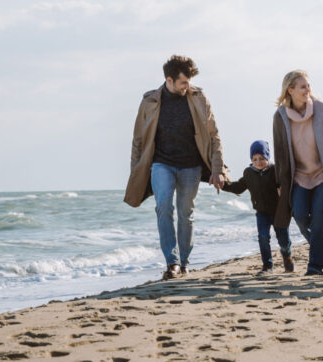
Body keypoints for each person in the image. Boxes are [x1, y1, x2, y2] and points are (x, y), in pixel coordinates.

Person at [124, 55, 229, 280]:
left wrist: (218, 168)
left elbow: (214, 135)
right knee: (163, 207)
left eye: (188, 82)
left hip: (191, 166)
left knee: (185, 213)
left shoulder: (199, 98)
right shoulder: (150, 101)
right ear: (169, 80)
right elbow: (138, 139)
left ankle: (184, 262)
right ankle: (171, 263)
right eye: (183, 83)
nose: (187, 87)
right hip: (161, 164)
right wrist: (136, 172)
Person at [272, 70, 323, 276]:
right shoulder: (280, 116)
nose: (308, 90)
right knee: (298, 214)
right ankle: (319, 244)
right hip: (298, 176)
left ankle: (315, 266)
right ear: (290, 90)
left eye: (308, 86)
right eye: (302, 87)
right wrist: (279, 182)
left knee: (318, 218)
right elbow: (280, 152)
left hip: (322, 175)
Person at [223, 140, 291, 275]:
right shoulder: (249, 173)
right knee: (263, 237)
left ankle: (287, 257)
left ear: (267, 157)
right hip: (262, 213)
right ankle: (267, 266)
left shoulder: (276, 170)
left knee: (283, 240)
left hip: (279, 212)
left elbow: (286, 184)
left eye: (262, 158)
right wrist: (222, 184)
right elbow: (238, 187)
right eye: (254, 159)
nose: (258, 162)